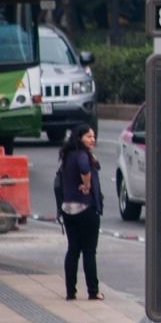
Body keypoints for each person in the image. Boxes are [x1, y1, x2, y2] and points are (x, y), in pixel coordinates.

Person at [59, 123, 104, 301]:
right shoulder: (81, 155)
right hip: (86, 209)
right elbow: (85, 168)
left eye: (93, 136)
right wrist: (86, 185)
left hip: (68, 209)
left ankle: (71, 292)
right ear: (79, 138)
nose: (92, 139)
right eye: (88, 137)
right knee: (89, 251)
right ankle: (93, 291)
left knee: (73, 249)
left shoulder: (67, 154)